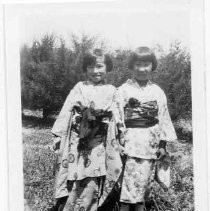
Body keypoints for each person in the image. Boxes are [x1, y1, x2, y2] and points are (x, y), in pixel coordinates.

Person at [50, 49, 123, 211]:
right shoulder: (79, 87)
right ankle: (69, 206)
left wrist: (121, 134)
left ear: (107, 67)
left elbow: (118, 114)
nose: (95, 71)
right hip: (78, 138)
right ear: (85, 68)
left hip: (99, 141)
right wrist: (58, 135)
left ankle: (91, 206)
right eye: (90, 67)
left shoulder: (111, 90)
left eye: (99, 66)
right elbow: (67, 110)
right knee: (75, 171)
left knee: (93, 173)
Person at [116, 47, 177, 211]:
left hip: (149, 144)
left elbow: (164, 118)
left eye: (146, 64)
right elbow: (117, 118)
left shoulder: (157, 92)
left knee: (143, 186)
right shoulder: (122, 90)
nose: (142, 69)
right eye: (138, 64)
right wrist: (117, 142)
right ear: (131, 66)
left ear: (153, 66)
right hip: (128, 143)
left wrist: (163, 145)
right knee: (126, 190)